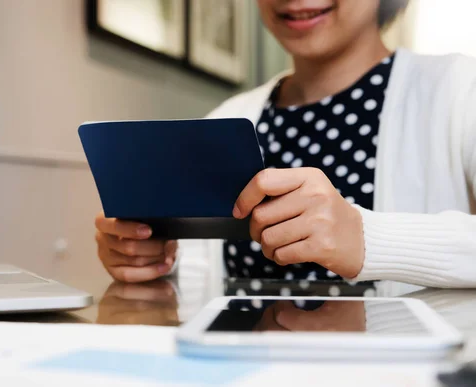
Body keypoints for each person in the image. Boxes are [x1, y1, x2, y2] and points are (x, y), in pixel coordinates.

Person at [94, 0, 476, 291]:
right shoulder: (229, 116)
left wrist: (366, 239)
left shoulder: (459, 89)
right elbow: (202, 285)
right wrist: (153, 260)